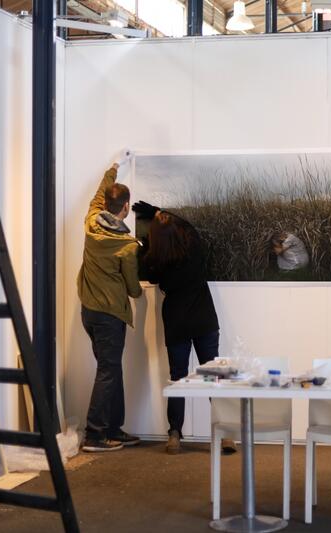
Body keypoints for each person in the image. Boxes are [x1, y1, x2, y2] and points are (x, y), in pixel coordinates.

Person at [132, 203, 230, 455]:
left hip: (177, 321)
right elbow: (188, 226)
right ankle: (225, 435)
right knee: (213, 376)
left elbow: (150, 275)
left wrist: (148, 243)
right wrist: (159, 211)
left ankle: (174, 434)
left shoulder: (157, 260)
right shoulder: (194, 248)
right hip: (203, 318)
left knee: (177, 377)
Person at [77, 150, 142, 453]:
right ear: (126, 207)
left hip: (89, 311)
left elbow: (98, 194)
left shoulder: (91, 222)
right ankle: (95, 434)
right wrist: (139, 291)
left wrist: (115, 167)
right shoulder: (126, 245)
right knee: (108, 370)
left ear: (105, 205)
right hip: (110, 316)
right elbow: (133, 288)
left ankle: (114, 428)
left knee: (111, 369)